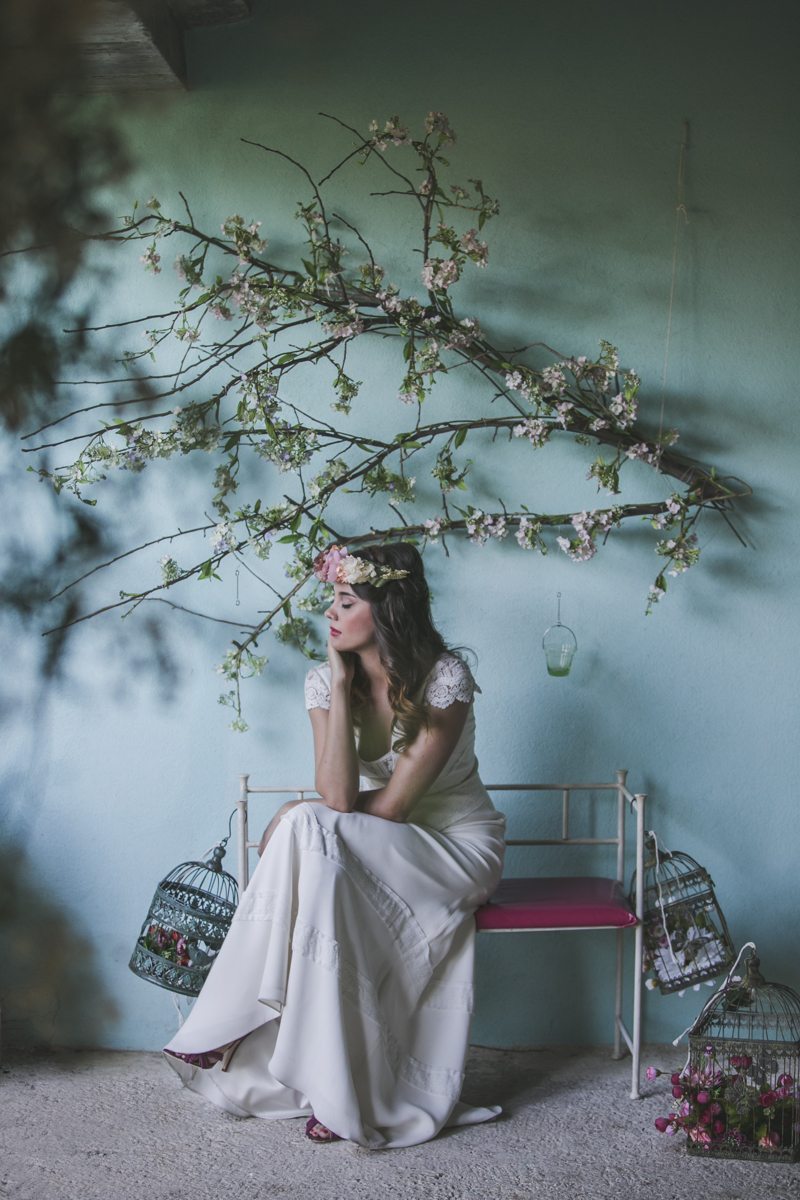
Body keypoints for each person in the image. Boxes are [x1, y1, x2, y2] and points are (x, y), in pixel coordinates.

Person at [163, 542, 506, 1149]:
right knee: (314, 842)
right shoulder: (325, 683)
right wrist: (342, 687)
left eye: (347, 601)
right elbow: (341, 796)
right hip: (376, 843)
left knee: (305, 825)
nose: (331, 612)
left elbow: (394, 807)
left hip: (453, 849)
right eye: (333, 599)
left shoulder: (444, 678)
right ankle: (329, 1083)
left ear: (388, 609)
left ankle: (231, 1020)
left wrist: (304, 813)